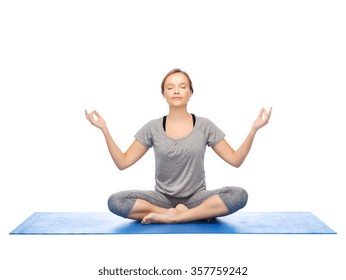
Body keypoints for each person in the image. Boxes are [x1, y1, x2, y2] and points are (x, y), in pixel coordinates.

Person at [85, 68, 272, 224]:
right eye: (170, 87)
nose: (176, 91)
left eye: (182, 87)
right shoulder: (152, 128)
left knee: (238, 195)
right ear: (164, 94)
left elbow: (235, 160)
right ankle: (184, 214)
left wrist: (254, 129)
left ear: (190, 93)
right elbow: (123, 162)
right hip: (162, 200)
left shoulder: (205, 125)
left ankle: (177, 217)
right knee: (116, 201)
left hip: (197, 199)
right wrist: (104, 130)